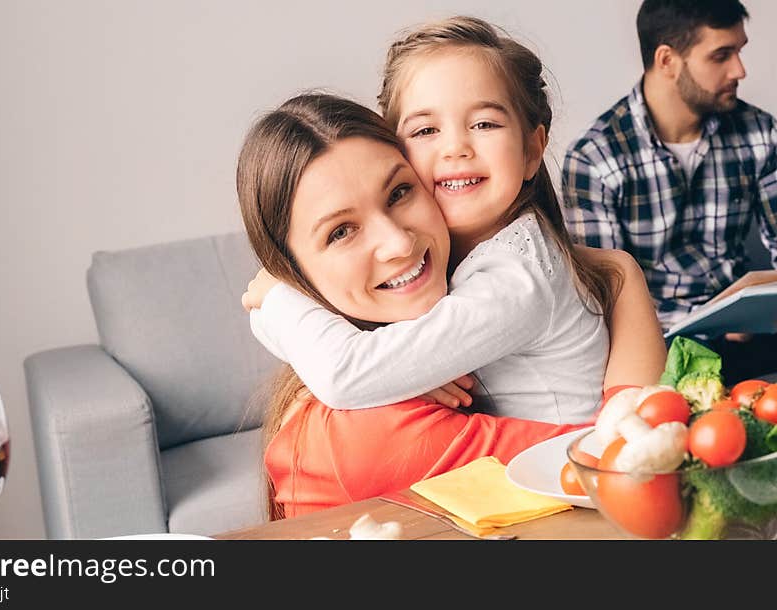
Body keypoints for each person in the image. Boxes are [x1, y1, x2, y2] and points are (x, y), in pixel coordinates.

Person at [242, 16, 665, 426]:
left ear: (532, 151)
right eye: (426, 131)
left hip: (563, 489)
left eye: (484, 123)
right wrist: (407, 378)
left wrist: (278, 298)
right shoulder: (445, 263)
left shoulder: (517, 277)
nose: (456, 148)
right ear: (395, 149)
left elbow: (346, 374)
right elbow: (357, 371)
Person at [236, 92, 642, 518]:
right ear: (294, 272)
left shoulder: (482, 299)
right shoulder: (352, 433)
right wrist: (623, 280)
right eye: (341, 232)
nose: (397, 242)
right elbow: (612, 464)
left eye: (399, 192)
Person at [561, 0, 777, 385]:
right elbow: (604, 299)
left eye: (739, 52)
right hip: (659, 351)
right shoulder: (596, 158)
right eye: (721, 56)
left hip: (750, 333)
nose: (739, 70)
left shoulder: (760, 133)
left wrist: (754, 308)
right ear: (667, 60)